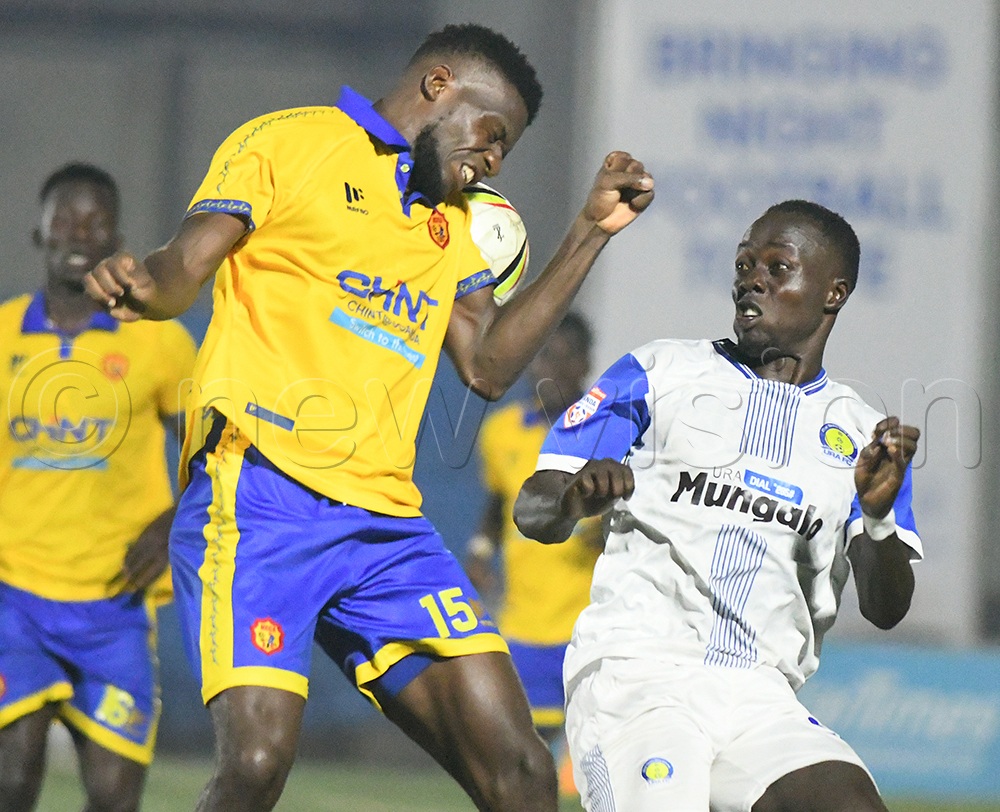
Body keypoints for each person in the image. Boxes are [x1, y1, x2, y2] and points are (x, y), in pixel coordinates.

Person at [83, 23, 654, 812]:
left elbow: (487, 365)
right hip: (257, 496)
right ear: (437, 86)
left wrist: (588, 233)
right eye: (491, 135)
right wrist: (142, 285)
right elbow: (183, 268)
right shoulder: (292, 142)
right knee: (254, 764)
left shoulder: (458, 222)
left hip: (384, 525)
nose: (493, 161)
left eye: (507, 153)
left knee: (520, 770)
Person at [514, 199, 921, 812]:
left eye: (777, 267)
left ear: (833, 293)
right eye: (744, 264)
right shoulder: (658, 372)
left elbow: (886, 609)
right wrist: (574, 496)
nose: (751, 278)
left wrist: (877, 515)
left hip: (761, 698)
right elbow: (532, 510)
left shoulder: (864, 437)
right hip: (638, 675)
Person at [0, 163, 197, 812]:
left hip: (114, 606)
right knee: (12, 777)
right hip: (13, 598)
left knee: (115, 800)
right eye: (65, 218)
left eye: (96, 220)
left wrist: (175, 523)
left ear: (117, 238)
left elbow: (215, 446)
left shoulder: (160, 342)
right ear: (38, 231)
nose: (79, 232)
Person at [465, 311, 600, 796]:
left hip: (588, 628)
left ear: (585, 363)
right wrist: (480, 553)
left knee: (603, 767)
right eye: (542, 355)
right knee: (519, 764)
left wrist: (600, 534)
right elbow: (499, 501)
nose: (550, 369)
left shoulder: (606, 434)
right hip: (522, 626)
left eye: (563, 357)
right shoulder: (502, 431)